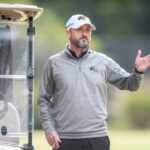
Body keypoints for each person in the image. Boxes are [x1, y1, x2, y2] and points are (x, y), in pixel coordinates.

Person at [38, 14, 150, 150]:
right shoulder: (53, 63)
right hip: (64, 139)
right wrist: (49, 129)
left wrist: (138, 71)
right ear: (68, 32)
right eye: (79, 30)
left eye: (88, 30)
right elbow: (43, 99)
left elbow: (130, 84)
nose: (84, 34)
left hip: (97, 138)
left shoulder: (103, 61)